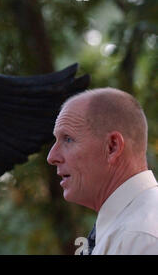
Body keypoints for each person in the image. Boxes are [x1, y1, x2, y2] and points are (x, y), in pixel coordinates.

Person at [47, 87, 158, 255]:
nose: (52, 157)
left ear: (112, 147)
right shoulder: (128, 229)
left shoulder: (139, 236)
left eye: (68, 139)